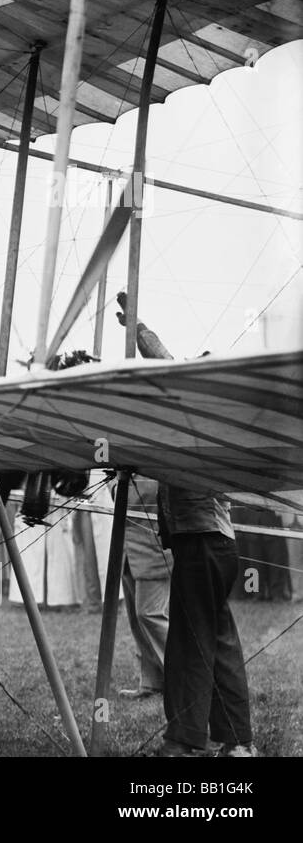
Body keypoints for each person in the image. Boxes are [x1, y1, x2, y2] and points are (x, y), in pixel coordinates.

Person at [116, 293, 255, 757]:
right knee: (220, 644)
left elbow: (166, 368)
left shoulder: (195, 419)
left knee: (187, 647)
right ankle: (237, 743)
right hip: (220, 546)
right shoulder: (217, 419)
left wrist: (137, 329)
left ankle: (184, 743)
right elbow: (164, 360)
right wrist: (137, 328)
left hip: (200, 544)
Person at [116, 476, 171, 700]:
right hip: (129, 549)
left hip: (153, 549)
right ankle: (151, 682)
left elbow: (140, 494)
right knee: (137, 619)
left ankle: (188, 677)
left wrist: (120, 483)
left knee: (148, 613)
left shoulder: (155, 465)